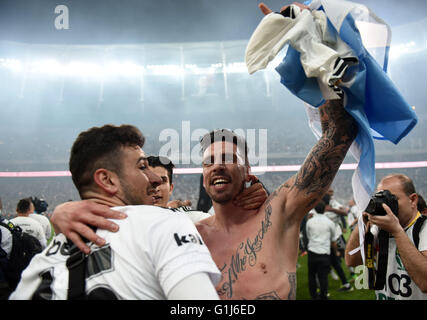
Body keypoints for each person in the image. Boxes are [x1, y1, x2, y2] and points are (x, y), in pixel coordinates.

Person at [49, 3, 357, 300]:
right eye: (209, 162)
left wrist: (314, 49)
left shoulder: (279, 212)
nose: (217, 167)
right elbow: (122, 214)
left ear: (248, 170)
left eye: (227, 159)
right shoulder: (182, 230)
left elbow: (339, 134)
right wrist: (62, 211)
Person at [9, 124, 221, 300]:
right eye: (142, 167)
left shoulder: (37, 266)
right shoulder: (160, 223)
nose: (153, 179)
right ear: (107, 180)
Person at [345, 174, 427, 300]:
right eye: (381, 198)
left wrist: (397, 231)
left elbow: (425, 282)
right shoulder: (379, 229)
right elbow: (351, 261)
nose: (385, 205)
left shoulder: (423, 229)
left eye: (391, 199)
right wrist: (362, 222)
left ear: (413, 199)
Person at [147, 155, 268, 223]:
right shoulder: (128, 221)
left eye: (162, 181)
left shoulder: (190, 220)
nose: (156, 188)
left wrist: (260, 203)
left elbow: (225, 223)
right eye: (150, 181)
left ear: (171, 188)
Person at [305, 200, 338, 300]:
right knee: (323, 276)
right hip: (324, 252)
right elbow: (333, 240)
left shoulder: (309, 221)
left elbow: (308, 236)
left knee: (311, 275)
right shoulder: (330, 222)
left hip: (312, 251)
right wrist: (336, 251)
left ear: (314, 209)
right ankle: (323, 296)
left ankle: (313, 296)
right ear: (325, 209)